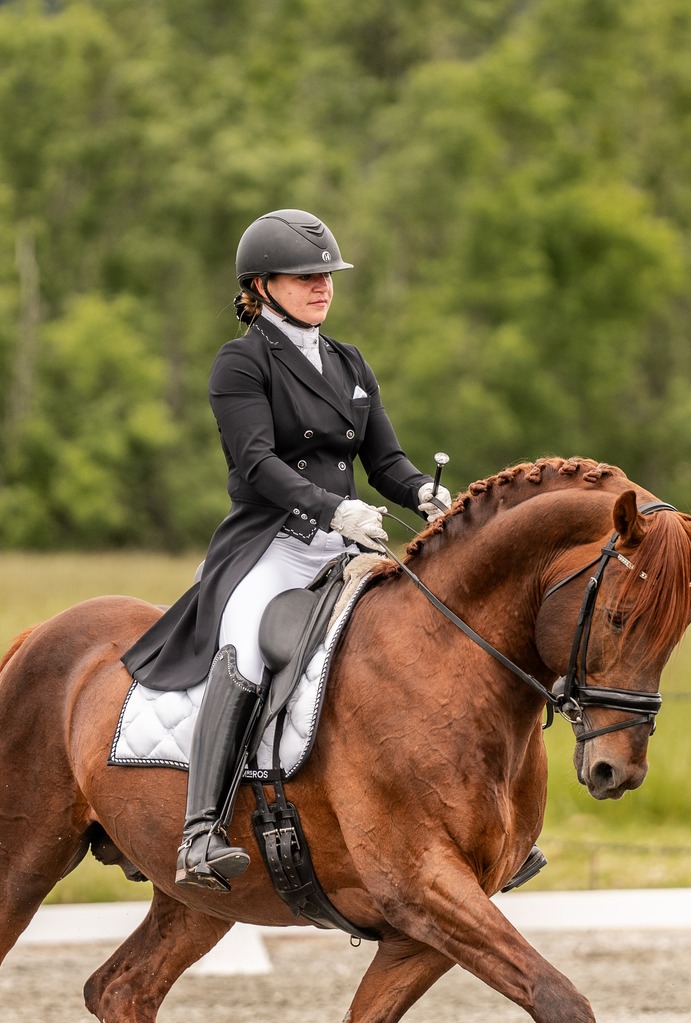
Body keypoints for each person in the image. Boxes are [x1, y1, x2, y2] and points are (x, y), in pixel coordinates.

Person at [123, 209, 455, 892]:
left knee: (422, 636)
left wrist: (422, 489)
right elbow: (256, 461)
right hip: (271, 544)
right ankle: (199, 831)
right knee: (243, 645)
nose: (321, 286)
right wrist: (334, 506)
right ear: (262, 285)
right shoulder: (241, 362)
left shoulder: (349, 362)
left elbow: (384, 459)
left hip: (347, 543)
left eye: (326, 275)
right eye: (306, 277)